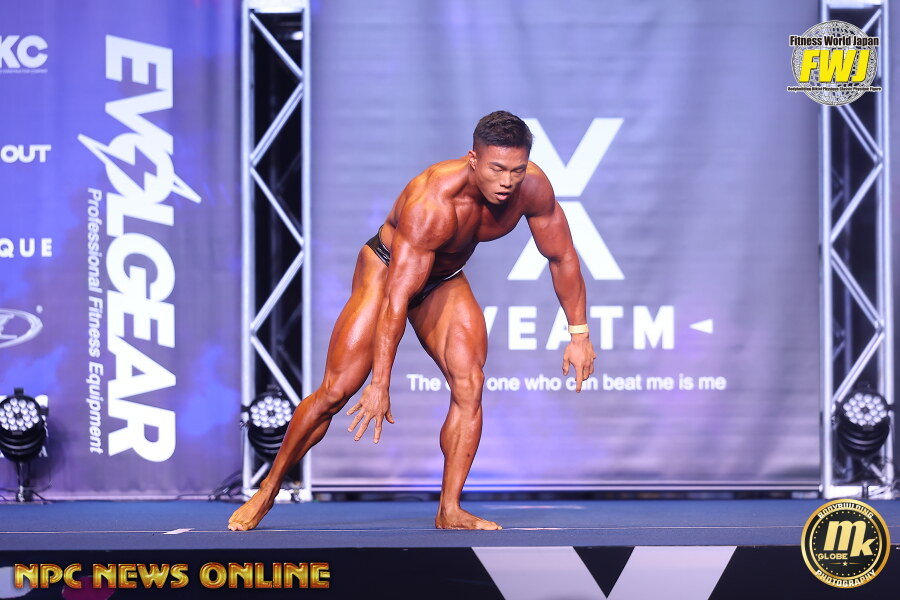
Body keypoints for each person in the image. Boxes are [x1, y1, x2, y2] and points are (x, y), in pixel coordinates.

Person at [228, 110, 596, 531]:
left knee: (470, 381)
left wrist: (579, 333)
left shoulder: (532, 187)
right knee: (336, 391)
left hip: (444, 277)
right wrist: (380, 384)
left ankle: (449, 510)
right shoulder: (432, 202)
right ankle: (269, 488)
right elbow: (396, 300)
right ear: (473, 159)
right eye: (497, 169)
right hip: (387, 273)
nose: (507, 181)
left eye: (517, 169)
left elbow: (561, 257)